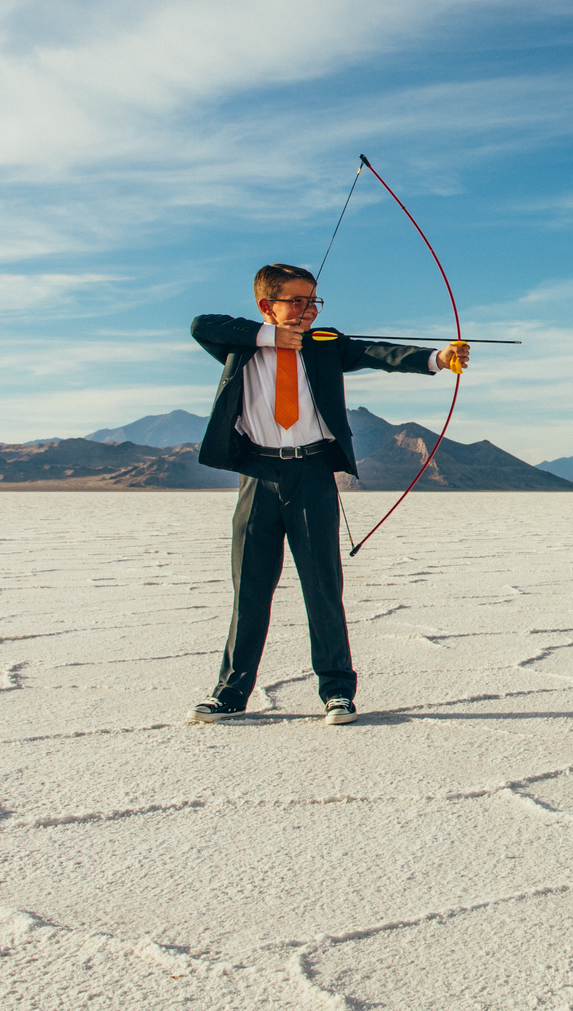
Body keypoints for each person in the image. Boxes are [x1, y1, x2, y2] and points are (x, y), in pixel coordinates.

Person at [186, 263, 469, 725]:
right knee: (250, 590)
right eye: (295, 301)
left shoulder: (325, 345)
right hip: (257, 475)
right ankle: (230, 694)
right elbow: (201, 325)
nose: (307, 310)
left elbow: (376, 352)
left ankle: (337, 691)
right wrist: (270, 337)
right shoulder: (239, 344)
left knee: (322, 586)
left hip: (313, 472)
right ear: (266, 306)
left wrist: (437, 358)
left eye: (313, 300)